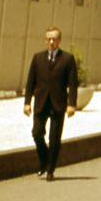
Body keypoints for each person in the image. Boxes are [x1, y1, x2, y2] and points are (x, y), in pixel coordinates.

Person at [23, 26, 78, 179]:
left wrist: (72, 104)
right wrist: (27, 102)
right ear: (45, 40)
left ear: (59, 40)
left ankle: (50, 170)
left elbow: (73, 84)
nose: (52, 42)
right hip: (41, 103)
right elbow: (30, 82)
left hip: (58, 104)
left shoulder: (67, 59)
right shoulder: (37, 58)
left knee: (54, 139)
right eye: (49, 39)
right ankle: (45, 160)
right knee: (36, 133)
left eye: (54, 39)